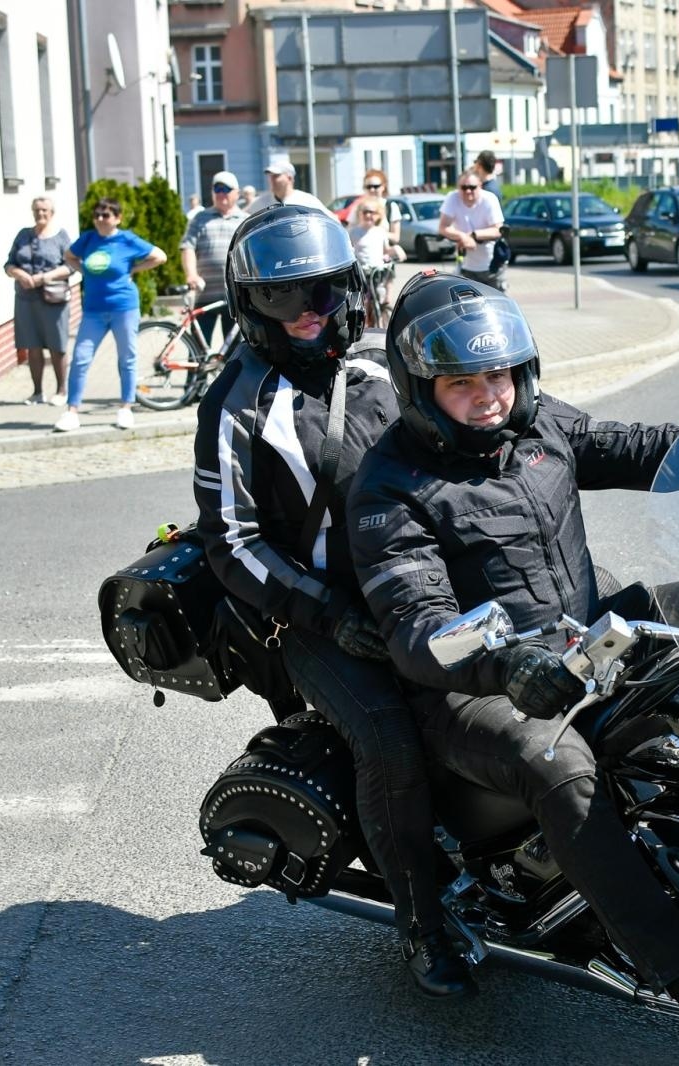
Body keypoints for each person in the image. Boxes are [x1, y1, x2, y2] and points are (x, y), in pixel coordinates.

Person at [348, 273, 679, 1052]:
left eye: (499, 375)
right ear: (419, 388)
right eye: (462, 383)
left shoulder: (538, 430)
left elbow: (635, 446)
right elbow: (417, 623)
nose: (489, 397)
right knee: (558, 767)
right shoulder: (390, 488)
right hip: (472, 687)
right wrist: (504, 662)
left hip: (585, 638)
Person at [192, 205, 471, 999]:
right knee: (387, 735)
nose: (310, 312)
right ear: (251, 305)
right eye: (285, 298)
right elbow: (233, 543)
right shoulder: (237, 402)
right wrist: (328, 613)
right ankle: (424, 924)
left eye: (323, 290)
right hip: (314, 619)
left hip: (416, 584)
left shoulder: (384, 365)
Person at [58, 197, 166, 432]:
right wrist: (83, 270)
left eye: (105, 215)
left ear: (117, 218)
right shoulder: (88, 239)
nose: (99, 219)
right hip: (94, 310)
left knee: (127, 357)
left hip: (123, 307)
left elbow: (159, 256)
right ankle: (71, 411)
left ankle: (126, 407)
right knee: (81, 358)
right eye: (96, 214)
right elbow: (69, 256)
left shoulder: (126, 239)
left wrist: (134, 269)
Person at [4, 197, 73, 405]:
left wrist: (45, 277)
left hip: (54, 299)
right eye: (36, 210)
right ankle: (37, 392)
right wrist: (19, 275)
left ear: (52, 212)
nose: (40, 214)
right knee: (32, 346)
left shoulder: (61, 237)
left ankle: (62, 391)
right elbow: (9, 264)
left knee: (57, 346)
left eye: (44, 210)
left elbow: (71, 266)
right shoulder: (23, 235)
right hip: (26, 299)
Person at [179, 170, 246, 348]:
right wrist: (191, 275)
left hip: (233, 297)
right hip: (204, 294)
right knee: (199, 349)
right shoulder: (200, 218)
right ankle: (198, 377)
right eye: (217, 188)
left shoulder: (245, 220)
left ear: (237, 193)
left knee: (232, 351)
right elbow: (187, 247)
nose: (221, 193)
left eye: (226, 189)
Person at [438, 168, 506, 290]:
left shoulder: (489, 199)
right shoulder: (452, 198)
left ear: (480, 186)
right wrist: (462, 237)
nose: (468, 191)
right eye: (463, 188)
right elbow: (443, 227)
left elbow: (498, 230)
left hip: (492, 266)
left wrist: (473, 235)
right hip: (466, 266)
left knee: (496, 306)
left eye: (472, 187)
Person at [350, 195, 404, 325]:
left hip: (377, 274)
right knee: (364, 305)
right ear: (360, 214)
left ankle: (380, 328)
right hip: (362, 273)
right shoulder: (354, 232)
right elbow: (349, 250)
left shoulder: (381, 232)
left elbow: (386, 250)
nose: (369, 215)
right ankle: (366, 329)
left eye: (372, 212)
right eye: (365, 212)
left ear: (378, 215)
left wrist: (396, 249)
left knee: (380, 301)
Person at [244, 155, 331, 215]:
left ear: (289, 178)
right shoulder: (261, 202)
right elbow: (242, 219)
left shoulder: (306, 200)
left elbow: (332, 221)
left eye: (276, 176)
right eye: (270, 176)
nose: (271, 180)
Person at [359, 169, 403, 247]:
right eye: (368, 187)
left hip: (384, 255)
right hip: (362, 255)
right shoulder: (359, 207)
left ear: (383, 187)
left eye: (376, 186)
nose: (372, 190)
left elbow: (396, 238)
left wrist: (375, 232)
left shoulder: (391, 206)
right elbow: (350, 232)